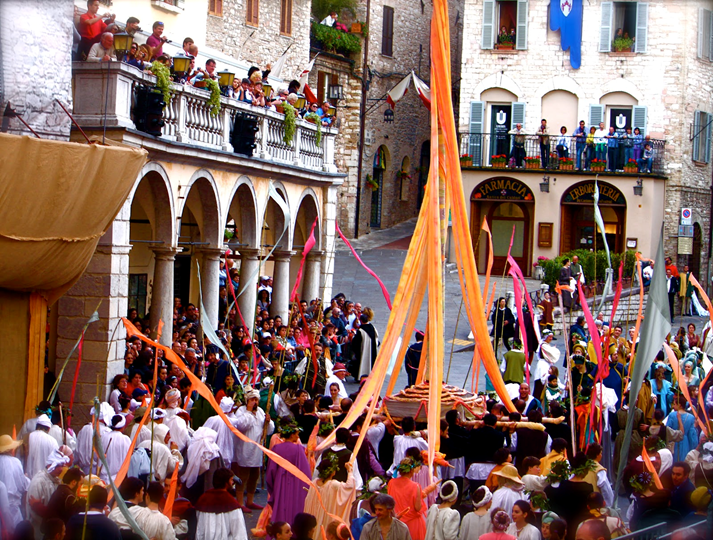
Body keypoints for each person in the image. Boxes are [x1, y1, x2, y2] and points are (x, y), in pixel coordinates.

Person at [234, 388, 273, 511]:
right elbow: (241, 426)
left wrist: (268, 421)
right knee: (243, 476)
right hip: (245, 448)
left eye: (256, 399)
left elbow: (269, 431)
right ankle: (240, 502)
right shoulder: (241, 411)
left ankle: (250, 501)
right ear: (247, 400)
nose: (254, 402)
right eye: (252, 399)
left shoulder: (261, 411)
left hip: (257, 450)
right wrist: (249, 411)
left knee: (254, 476)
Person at [265, 420, 310, 526]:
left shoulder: (276, 448)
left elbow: (271, 470)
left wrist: (273, 486)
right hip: (296, 483)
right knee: (294, 505)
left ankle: (280, 529)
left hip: (280, 483)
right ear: (292, 435)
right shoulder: (299, 449)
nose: (298, 437)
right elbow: (305, 470)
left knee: (281, 505)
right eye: (297, 434)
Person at [304, 456, 357, 536]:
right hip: (326, 519)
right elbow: (349, 486)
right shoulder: (333, 485)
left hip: (314, 519)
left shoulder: (314, 482)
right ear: (332, 472)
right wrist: (350, 471)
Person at [388, 458, 439, 540]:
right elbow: (418, 507)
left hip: (396, 522)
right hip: (412, 525)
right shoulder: (415, 486)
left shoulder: (391, 483)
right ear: (411, 471)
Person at [194, 467, 248, 540]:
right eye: (231, 480)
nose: (232, 483)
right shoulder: (231, 503)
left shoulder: (203, 499)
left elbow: (199, 528)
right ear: (226, 483)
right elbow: (239, 532)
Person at [26, 414, 59, 479]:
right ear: (49, 429)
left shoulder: (28, 437)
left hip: (28, 479)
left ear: (36, 426)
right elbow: (55, 462)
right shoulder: (53, 441)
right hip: (45, 480)